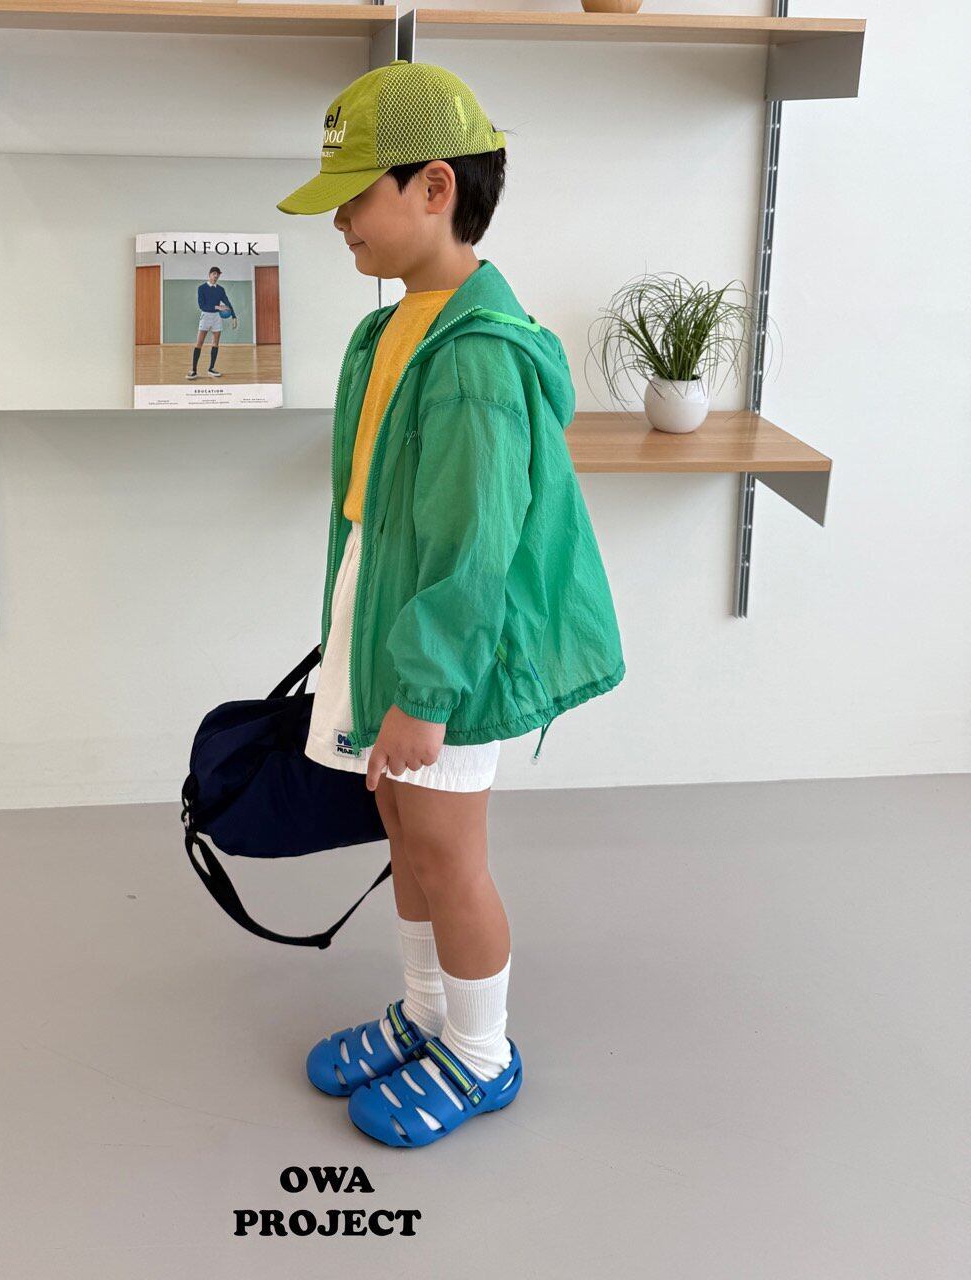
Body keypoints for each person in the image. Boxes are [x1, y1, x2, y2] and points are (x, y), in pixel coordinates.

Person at [275, 59, 626, 1148]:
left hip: (448, 646)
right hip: (393, 614)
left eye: (353, 195)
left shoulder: (475, 358)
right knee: (404, 830)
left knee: (446, 851)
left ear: (434, 187)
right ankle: (428, 1012)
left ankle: (480, 1050)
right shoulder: (391, 331)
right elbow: (377, 517)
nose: (338, 221)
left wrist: (423, 692)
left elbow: (474, 548)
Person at [189, 266, 238, 379]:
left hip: (217, 317)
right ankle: (193, 370)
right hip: (206, 316)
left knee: (215, 343)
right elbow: (202, 306)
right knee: (199, 343)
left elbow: (227, 302)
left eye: (218, 274)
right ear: (209, 274)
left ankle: (211, 368)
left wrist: (234, 316)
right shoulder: (201, 288)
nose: (216, 276)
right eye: (214, 274)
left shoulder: (220, 289)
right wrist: (218, 307)